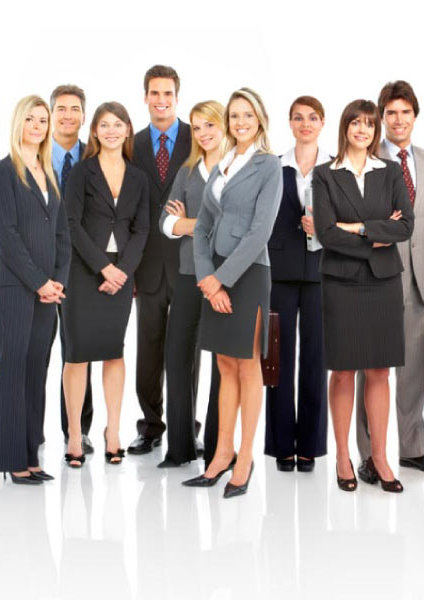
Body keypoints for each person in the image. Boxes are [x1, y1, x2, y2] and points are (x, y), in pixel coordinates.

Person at [311, 99, 415, 493]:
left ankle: (380, 457)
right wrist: (375, 234)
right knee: (343, 371)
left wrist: (355, 228)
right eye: (356, 123)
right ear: (345, 128)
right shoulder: (325, 175)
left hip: (384, 283)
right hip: (340, 282)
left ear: (375, 132)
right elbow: (325, 232)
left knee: (379, 371)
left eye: (369, 125)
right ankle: (342, 456)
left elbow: (405, 224)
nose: (363, 130)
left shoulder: (388, 172)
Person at [184, 88, 282, 498]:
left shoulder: (268, 165)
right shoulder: (223, 163)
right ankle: (220, 453)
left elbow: (261, 230)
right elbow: (203, 226)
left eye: (247, 115)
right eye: (234, 116)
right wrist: (207, 277)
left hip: (248, 275)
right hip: (216, 276)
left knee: (247, 367)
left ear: (259, 119)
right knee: (223, 365)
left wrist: (220, 279)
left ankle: (245, 457)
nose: (240, 122)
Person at [355, 81, 424, 476]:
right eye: (390, 113)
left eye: (405, 112)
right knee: (370, 367)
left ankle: (412, 448)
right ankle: (368, 454)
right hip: (374, 276)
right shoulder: (363, 157)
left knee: (413, 370)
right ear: (381, 117)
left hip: (421, 279)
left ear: (415, 116)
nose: (398, 120)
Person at [0, 95, 71, 484]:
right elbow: (7, 234)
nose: (37, 126)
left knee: (37, 370)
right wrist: (38, 282)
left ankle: (31, 456)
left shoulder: (48, 172)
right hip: (15, 287)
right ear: (18, 123)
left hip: (47, 291)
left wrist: (57, 282)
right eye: (30, 119)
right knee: (14, 367)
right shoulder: (3, 173)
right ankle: (10, 459)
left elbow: (62, 234)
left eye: (42, 120)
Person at [62, 101, 150, 467]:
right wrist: (102, 267)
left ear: (128, 130)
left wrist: (123, 271)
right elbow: (71, 224)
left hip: (121, 275)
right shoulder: (82, 172)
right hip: (84, 273)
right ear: (94, 131)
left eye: (118, 124)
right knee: (78, 354)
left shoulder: (138, 177)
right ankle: (73, 435)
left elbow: (142, 228)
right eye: (104, 125)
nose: (111, 130)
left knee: (114, 352)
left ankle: (113, 431)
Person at [263, 96, 332, 473]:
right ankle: (280, 447)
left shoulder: (335, 169)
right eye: (298, 118)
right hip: (279, 272)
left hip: (324, 273)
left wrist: (323, 229)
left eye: (313, 118)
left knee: (315, 361)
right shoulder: (274, 167)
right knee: (278, 361)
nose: (305, 123)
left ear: (323, 123)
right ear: (289, 123)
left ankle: (309, 446)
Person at [128, 65, 192, 455]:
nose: (161, 100)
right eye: (154, 93)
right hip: (147, 263)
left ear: (177, 96)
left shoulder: (196, 136)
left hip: (188, 261)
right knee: (148, 348)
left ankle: (187, 427)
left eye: (167, 93)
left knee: (186, 349)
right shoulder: (130, 143)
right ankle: (151, 426)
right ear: (146, 96)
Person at [158, 100, 225, 467]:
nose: (203, 134)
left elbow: (237, 226)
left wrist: (191, 223)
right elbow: (165, 225)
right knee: (178, 358)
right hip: (188, 275)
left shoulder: (236, 170)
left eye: (209, 126)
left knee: (221, 365)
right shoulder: (187, 173)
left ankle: (217, 448)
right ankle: (180, 446)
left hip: (225, 278)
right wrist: (200, 225)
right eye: (197, 127)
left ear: (223, 126)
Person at [49, 84, 94, 455]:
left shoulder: (95, 157)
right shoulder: (31, 154)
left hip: (84, 266)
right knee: (37, 348)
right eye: (61, 109)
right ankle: (31, 427)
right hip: (41, 265)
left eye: (74, 109)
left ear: (84, 115)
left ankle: (79, 429)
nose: (68, 115)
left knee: (81, 348)